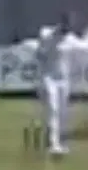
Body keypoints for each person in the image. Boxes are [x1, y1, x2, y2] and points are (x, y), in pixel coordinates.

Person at [32, 14, 78, 156]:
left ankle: (62, 140)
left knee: (63, 111)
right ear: (61, 23)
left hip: (64, 80)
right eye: (66, 24)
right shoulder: (48, 35)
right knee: (54, 108)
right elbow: (39, 54)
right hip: (49, 78)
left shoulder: (72, 40)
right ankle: (53, 143)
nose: (67, 27)